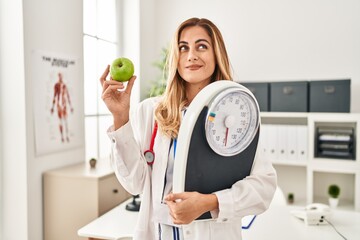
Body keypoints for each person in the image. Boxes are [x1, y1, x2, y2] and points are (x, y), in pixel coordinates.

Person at [100, 17, 277, 240]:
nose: (191, 55)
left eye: (201, 46)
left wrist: (210, 202)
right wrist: (120, 116)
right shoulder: (149, 111)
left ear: (217, 54)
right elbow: (134, 184)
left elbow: (264, 188)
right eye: (183, 48)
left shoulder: (237, 114)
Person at [50, 72, 73, 142]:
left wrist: (70, 106)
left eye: (61, 76)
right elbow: (54, 95)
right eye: (59, 76)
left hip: (64, 105)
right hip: (59, 105)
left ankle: (66, 136)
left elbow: (68, 96)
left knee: (65, 121)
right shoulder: (56, 85)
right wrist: (53, 107)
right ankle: (62, 136)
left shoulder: (64, 85)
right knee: (60, 121)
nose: (60, 77)